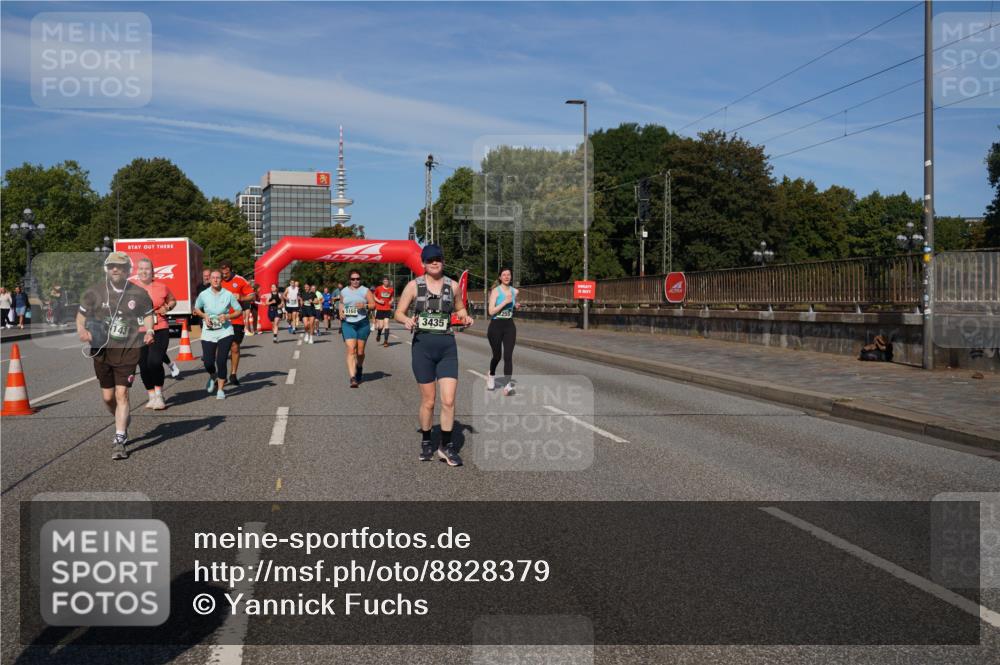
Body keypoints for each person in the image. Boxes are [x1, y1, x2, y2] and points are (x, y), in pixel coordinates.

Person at [395, 244, 473, 466]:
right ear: (423, 263)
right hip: (422, 348)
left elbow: (460, 309)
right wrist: (406, 319)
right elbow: (398, 312)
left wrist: (465, 317)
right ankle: (427, 441)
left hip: (447, 347)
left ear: (443, 261)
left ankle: (446, 446)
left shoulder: (453, 286)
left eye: (438, 258)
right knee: (429, 401)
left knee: (448, 400)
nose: (434, 262)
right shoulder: (413, 286)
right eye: (430, 260)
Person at [76, 252, 154, 460]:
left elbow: (147, 315)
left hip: (128, 350)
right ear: (107, 269)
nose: (115, 269)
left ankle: (120, 438)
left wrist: (149, 331)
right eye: (111, 266)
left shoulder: (138, 293)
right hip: (101, 350)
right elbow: (81, 315)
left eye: (119, 266)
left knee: (122, 395)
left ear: (128, 270)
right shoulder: (95, 292)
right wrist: (81, 330)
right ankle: (122, 418)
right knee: (108, 397)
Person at [133, 258, 177, 410]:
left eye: (147, 269)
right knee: (143, 365)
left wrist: (168, 307)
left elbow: (172, 300)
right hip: (138, 331)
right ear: (137, 271)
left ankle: (159, 395)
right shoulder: (130, 288)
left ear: (152, 271)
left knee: (155, 361)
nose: (144, 271)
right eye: (141, 269)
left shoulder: (161, 287)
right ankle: (151, 395)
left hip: (160, 328)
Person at [192, 269, 242, 400]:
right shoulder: (203, 294)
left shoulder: (228, 294)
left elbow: (239, 310)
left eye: (218, 278)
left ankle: (220, 389)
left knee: (221, 360)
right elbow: (196, 308)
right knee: (208, 362)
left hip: (225, 331)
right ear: (209, 279)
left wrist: (227, 316)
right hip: (208, 332)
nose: (215, 280)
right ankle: (213, 376)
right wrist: (204, 315)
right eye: (213, 277)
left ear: (221, 279)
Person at [486, 267, 521, 395]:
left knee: (508, 356)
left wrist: (515, 305)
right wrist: (505, 302)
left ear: (511, 277)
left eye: (509, 275)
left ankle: (507, 386)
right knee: (497, 356)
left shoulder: (515, 291)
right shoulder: (495, 291)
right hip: (496, 325)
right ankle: (491, 374)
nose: (506, 277)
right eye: (504, 275)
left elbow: (513, 303)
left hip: (509, 325)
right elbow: (491, 312)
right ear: (500, 277)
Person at [219, 261, 254, 386]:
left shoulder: (240, 280)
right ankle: (221, 375)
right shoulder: (218, 280)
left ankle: (233, 374)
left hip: (236, 319)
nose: (224, 276)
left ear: (231, 270)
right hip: (220, 319)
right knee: (220, 349)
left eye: (227, 273)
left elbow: (252, 295)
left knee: (234, 346)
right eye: (222, 273)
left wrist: (242, 297)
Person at [339, 270, 376, 388]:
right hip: (348, 323)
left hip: (362, 323)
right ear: (349, 279)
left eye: (358, 279)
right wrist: (340, 312)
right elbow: (341, 303)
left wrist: (365, 305)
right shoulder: (344, 291)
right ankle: (353, 377)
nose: (355, 281)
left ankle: (359, 367)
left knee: (360, 352)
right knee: (351, 349)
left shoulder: (365, 290)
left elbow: (373, 304)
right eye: (353, 279)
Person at [373, 276, 395, 348]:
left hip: (387, 309)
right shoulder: (379, 288)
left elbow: (392, 297)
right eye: (384, 281)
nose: (386, 282)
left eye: (387, 281)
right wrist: (379, 301)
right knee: (381, 326)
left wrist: (391, 301)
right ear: (383, 282)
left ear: (389, 281)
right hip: (380, 308)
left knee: (386, 324)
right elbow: (374, 296)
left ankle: (386, 341)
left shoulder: (391, 289)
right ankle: (379, 334)